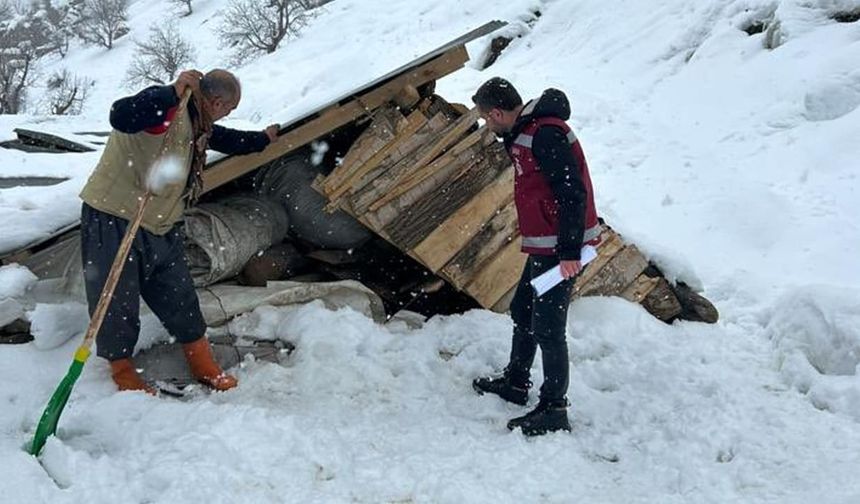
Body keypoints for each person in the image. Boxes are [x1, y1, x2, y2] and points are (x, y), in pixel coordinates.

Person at [79, 69, 279, 394]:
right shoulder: (167, 108)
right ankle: (121, 369)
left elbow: (228, 139)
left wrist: (262, 140)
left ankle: (201, 361)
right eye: (228, 109)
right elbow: (121, 115)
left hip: (161, 222)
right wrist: (170, 93)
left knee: (178, 292)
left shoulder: (197, 121)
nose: (226, 116)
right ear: (215, 102)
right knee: (116, 298)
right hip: (116, 217)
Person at [471, 77, 601, 436]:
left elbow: (572, 192)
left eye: (486, 119)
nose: (487, 125)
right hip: (547, 244)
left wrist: (570, 252)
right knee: (522, 310)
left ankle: (554, 408)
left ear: (498, 112)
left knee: (548, 326)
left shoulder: (544, 134)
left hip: (561, 248)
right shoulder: (525, 132)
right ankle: (516, 382)